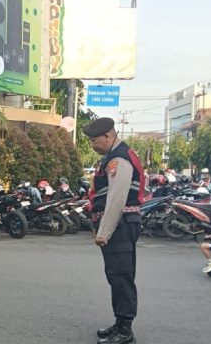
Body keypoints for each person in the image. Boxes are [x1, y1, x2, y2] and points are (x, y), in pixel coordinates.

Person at [84, 117, 145, 344]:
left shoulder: (119, 159)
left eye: (94, 140)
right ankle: (120, 324)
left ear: (108, 136)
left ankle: (125, 330)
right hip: (120, 225)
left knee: (121, 276)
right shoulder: (113, 156)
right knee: (116, 275)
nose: (92, 145)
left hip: (120, 225)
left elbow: (116, 199)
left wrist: (104, 232)